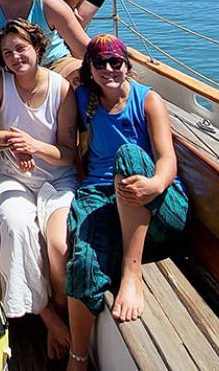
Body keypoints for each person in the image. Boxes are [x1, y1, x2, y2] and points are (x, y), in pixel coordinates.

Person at [65, 34, 189, 370]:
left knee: (129, 156)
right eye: (100, 63)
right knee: (83, 264)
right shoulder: (81, 99)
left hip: (157, 206)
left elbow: (166, 159)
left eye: (115, 62)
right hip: (103, 200)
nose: (108, 68)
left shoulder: (148, 100)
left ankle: (131, 274)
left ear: (127, 65)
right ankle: (78, 356)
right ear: (89, 69)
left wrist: (154, 185)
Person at [0, 19, 78, 360]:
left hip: (57, 180)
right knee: (17, 228)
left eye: (21, 48)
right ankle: (48, 319)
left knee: (59, 247)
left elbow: (68, 154)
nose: (16, 56)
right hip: (12, 178)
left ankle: (59, 313)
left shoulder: (62, 89)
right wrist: (9, 140)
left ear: (37, 48)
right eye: (7, 53)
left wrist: (33, 145)